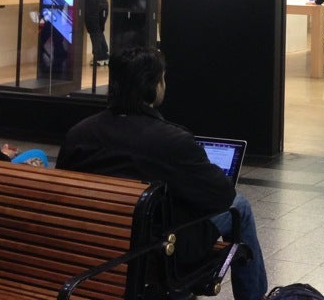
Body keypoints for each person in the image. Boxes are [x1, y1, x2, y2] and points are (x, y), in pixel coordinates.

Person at [56, 47, 267, 300]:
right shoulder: (172, 141)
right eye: (162, 78)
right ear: (154, 86)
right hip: (156, 255)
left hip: (88, 248)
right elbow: (222, 195)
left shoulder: (78, 134)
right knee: (239, 206)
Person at [77, 0, 109, 66]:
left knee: (94, 32)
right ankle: (104, 54)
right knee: (98, 30)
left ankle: (99, 56)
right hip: (104, 7)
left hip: (92, 9)